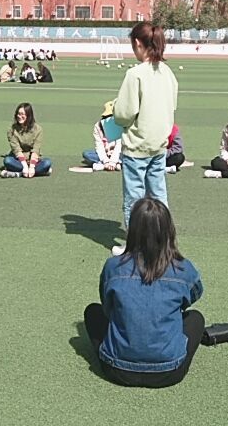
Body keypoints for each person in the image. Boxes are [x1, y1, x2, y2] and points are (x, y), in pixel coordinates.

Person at [82, 197, 204, 388]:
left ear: (132, 230)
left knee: (92, 312)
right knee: (195, 318)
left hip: (117, 369)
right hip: (169, 372)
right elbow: (194, 296)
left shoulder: (113, 266)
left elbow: (107, 306)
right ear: (168, 230)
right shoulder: (183, 268)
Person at [113, 22, 177, 231]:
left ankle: (135, 244)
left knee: (134, 200)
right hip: (159, 144)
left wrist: (115, 109)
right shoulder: (167, 72)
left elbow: (124, 114)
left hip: (137, 145)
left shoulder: (135, 74)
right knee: (159, 196)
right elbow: (172, 106)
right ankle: (163, 239)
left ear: (138, 43)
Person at [0, 103, 52, 178]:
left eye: (22, 114)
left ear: (29, 115)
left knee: (47, 162)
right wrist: (25, 166)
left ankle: (17, 173)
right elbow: (16, 150)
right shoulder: (11, 130)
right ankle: (38, 172)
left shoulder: (38, 129)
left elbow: (36, 150)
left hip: (33, 160)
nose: (19, 116)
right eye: (18, 114)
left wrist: (31, 167)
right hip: (18, 160)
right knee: (7, 161)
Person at [83, 100, 121, 171]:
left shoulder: (121, 125)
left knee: (130, 155)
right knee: (87, 154)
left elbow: (119, 146)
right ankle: (117, 164)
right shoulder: (98, 126)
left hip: (119, 153)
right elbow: (99, 145)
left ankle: (104, 165)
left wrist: (113, 161)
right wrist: (105, 161)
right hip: (106, 153)